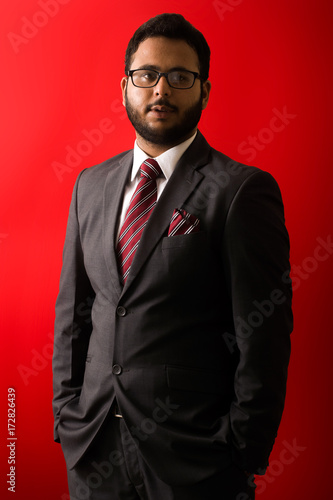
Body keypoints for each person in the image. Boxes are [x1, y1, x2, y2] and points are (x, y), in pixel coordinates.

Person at [52, 13, 293, 500]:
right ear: (125, 88)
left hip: (195, 459)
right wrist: (66, 413)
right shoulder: (90, 186)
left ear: (204, 91)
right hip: (94, 447)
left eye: (180, 77)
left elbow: (264, 332)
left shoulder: (240, 190)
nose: (161, 89)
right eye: (147, 75)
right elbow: (73, 315)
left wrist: (241, 449)